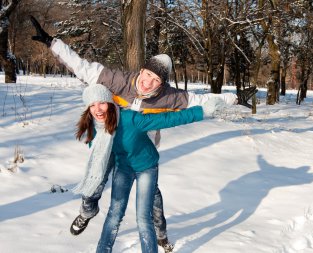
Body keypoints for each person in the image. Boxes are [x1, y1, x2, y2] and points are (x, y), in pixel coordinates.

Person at [30, 15, 253, 251]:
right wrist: (53, 43)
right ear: (142, 70)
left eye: (155, 80)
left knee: (152, 200)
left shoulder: (169, 96)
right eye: (147, 75)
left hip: (142, 154)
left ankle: (162, 234)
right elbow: (82, 67)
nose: (147, 83)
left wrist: (234, 97)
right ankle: (87, 212)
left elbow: (200, 101)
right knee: (94, 182)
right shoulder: (117, 81)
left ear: (161, 83)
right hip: (111, 146)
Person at [75, 83, 223, 253]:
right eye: (92, 105)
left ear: (110, 102)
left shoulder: (130, 119)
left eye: (101, 102)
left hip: (146, 168)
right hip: (124, 168)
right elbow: (100, 151)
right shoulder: (96, 127)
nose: (97, 109)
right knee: (114, 214)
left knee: (143, 218)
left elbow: (168, 119)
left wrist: (201, 111)